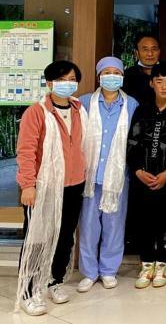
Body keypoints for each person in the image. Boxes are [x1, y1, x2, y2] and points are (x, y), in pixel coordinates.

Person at [15, 61, 87, 316]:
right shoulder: (36, 112)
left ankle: (53, 281)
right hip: (44, 186)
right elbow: (26, 151)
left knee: (65, 236)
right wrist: (28, 185)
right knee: (37, 239)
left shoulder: (78, 109)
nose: (67, 83)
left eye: (71, 79)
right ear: (49, 83)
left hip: (74, 184)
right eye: (61, 79)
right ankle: (28, 291)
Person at [77, 57, 139, 293]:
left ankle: (109, 270)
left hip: (118, 176)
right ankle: (89, 272)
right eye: (107, 72)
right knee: (88, 226)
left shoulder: (131, 104)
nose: (111, 77)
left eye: (116, 73)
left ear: (122, 77)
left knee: (114, 226)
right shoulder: (84, 103)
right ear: (99, 76)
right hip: (89, 175)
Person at [126, 62, 166, 289]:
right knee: (144, 220)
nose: (164, 86)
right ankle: (146, 264)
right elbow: (131, 141)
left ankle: (162, 263)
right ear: (152, 83)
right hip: (142, 176)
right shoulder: (142, 108)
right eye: (159, 81)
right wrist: (138, 170)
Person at [123, 33, 161, 105]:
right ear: (136, 53)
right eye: (145, 49)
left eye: (154, 49)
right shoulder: (127, 76)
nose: (150, 54)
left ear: (159, 51)